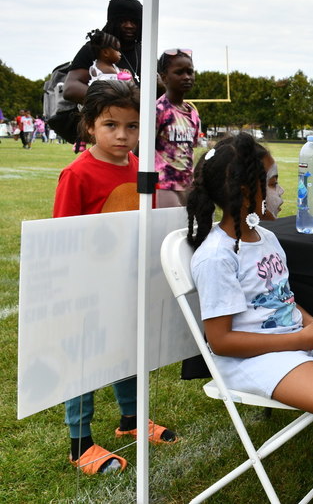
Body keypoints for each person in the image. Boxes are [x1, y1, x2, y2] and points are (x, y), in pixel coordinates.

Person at [187, 133, 313, 504]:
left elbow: (284, 301)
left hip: (296, 345)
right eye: (272, 183)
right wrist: (298, 341)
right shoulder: (217, 257)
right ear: (245, 191)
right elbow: (221, 342)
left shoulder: (267, 238)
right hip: (251, 359)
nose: (280, 191)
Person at [53, 80, 178, 475]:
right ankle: (80, 444)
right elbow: (62, 239)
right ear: (89, 125)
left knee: (129, 353)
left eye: (132, 126)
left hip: (128, 285)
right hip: (88, 290)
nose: (123, 135)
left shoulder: (143, 169)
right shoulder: (76, 174)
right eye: (111, 125)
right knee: (85, 362)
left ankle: (131, 421)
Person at [64, 0, 142, 106]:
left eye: (134, 21)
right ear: (111, 21)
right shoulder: (95, 48)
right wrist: (111, 101)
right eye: (122, 21)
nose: (129, 26)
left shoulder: (145, 52)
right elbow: (70, 89)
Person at [154, 48, 200, 207]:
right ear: (165, 77)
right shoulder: (158, 110)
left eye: (190, 72)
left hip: (187, 184)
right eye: (179, 72)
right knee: (168, 230)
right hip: (164, 184)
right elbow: (140, 152)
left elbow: (189, 150)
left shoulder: (192, 112)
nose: (187, 77)